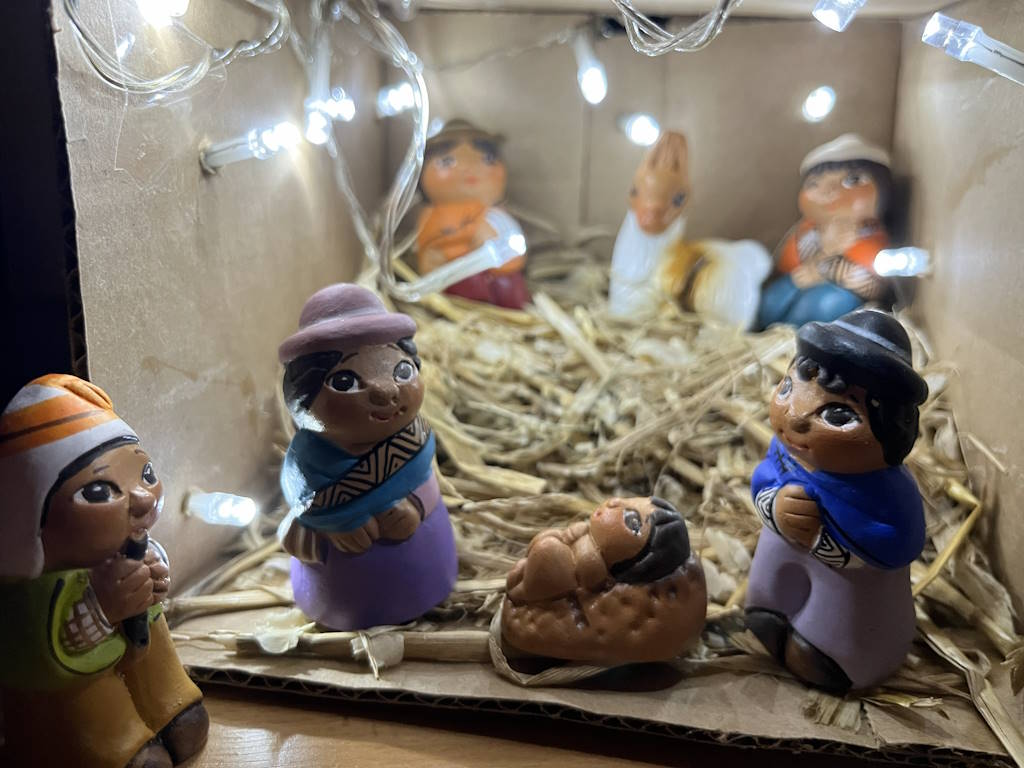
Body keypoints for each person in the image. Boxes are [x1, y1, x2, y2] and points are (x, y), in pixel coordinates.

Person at [0, 375, 208, 768]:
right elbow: (34, 651)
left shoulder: (126, 544)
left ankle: (169, 704)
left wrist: (156, 572)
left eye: (146, 474)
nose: (144, 498)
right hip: (68, 682)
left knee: (155, 641)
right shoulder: (26, 591)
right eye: (98, 491)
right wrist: (100, 608)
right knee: (86, 693)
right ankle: (119, 744)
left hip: (135, 637)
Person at [745, 310, 929, 692]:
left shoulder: (887, 491)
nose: (795, 417)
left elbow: (900, 541)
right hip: (780, 557)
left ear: (890, 434)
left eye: (838, 414)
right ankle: (769, 614)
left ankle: (834, 658)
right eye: (787, 388)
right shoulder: (785, 451)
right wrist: (775, 506)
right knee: (767, 609)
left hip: (851, 587)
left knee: (828, 641)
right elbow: (763, 477)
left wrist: (825, 538)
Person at [277, 283, 458, 630]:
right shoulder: (304, 464)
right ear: (302, 398)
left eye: (402, 371)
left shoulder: (416, 439)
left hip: (426, 568)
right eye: (345, 382)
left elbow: (427, 483)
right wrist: (332, 522)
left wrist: (417, 505)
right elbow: (303, 502)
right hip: (336, 589)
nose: (386, 390)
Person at [758, 134, 892, 328]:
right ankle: (774, 333)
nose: (828, 191)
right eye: (814, 184)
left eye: (852, 180)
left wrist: (829, 268)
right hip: (800, 280)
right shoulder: (805, 233)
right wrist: (805, 273)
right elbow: (786, 266)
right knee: (770, 300)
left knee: (823, 303)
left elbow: (875, 287)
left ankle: (799, 337)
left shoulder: (870, 236)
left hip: (840, 293)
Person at [416, 119, 530, 309]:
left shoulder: (494, 214)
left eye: (487, 160)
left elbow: (514, 249)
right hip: (457, 280)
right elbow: (430, 251)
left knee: (508, 287)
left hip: (500, 275)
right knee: (468, 287)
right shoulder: (432, 218)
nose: (469, 168)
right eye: (447, 161)